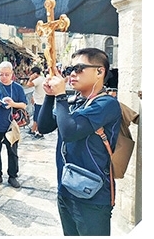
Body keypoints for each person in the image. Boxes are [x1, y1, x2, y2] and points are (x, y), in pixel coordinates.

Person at [37, 48, 121, 236]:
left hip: (93, 196)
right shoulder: (75, 102)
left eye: (79, 68)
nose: (72, 74)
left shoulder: (106, 104)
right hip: (66, 188)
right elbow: (43, 126)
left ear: (100, 71)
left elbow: (69, 131)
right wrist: (51, 96)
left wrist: (60, 96)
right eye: (69, 70)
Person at [0, 61, 27, 189]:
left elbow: (24, 105)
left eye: (6, 74)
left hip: (10, 126)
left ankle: (12, 176)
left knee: (12, 152)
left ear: (12, 74)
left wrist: (13, 104)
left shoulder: (17, 88)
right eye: (1, 74)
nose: (3, 77)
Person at [26, 66, 45, 138]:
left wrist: (30, 79)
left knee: (37, 117)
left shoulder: (38, 80)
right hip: (41, 100)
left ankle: (38, 131)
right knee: (36, 116)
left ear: (35, 73)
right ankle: (34, 130)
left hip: (39, 101)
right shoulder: (43, 78)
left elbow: (28, 85)